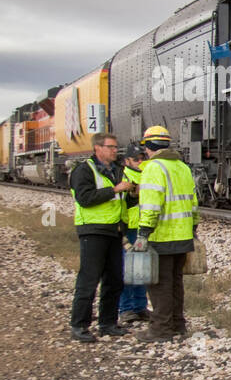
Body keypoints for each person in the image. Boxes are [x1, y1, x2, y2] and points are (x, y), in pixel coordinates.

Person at [133, 125, 197, 341]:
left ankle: (161, 329)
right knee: (176, 283)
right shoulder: (183, 167)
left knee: (159, 284)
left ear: (148, 146)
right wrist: (193, 229)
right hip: (183, 236)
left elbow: (151, 206)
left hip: (161, 236)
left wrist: (143, 233)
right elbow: (194, 204)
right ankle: (178, 325)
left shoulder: (153, 168)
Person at [69, 132, 134, 342]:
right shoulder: (84, 171)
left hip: (114, 231)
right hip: (93, 230)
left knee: (114, 279)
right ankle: (79, 325)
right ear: (98, 148)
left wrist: (132, 194)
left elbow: (122, 200)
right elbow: (85, 198)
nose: (116, 150)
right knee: (89, 280)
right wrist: (114, 189)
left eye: (116, 147)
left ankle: (108, 323)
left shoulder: (118, 170)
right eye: (111, 147)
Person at [118, 143, 149, 323]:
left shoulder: (148, 174)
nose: (139, 161)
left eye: (141, 158)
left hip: (143, 227)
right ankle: (126, 308)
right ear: (126, 160)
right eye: (136, 159)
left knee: (142, 269)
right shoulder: (124, 176)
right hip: (129, 227)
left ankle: (140, 306)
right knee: (127, 269)